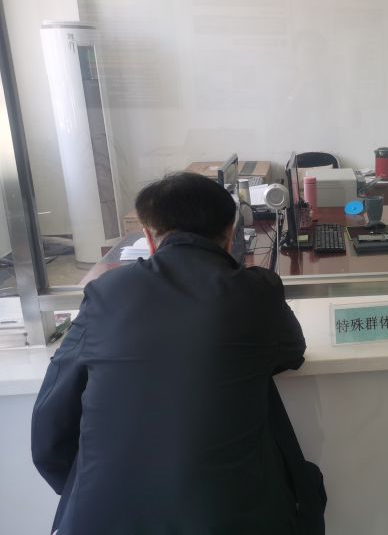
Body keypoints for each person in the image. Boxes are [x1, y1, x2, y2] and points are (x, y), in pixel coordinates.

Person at [31, 172, 325, 535]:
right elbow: (292, 351)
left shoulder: (106, 293)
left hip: (99, 520)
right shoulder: (257, 291)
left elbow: (49, 430)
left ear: (149, 236)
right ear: (231, 233)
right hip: (230, 520)